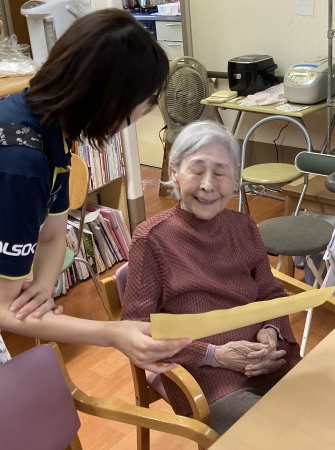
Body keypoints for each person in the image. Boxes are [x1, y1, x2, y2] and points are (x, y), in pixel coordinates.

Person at [0, 9, 190, 443]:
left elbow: (51, 233)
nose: (142, 113)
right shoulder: (14, 160)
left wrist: (42, 291)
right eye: (144, 102)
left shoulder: (50, 124)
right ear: (112, 98)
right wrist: (113, 333)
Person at [121, 120, 302, 435]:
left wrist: (272, 334)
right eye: (196, 170)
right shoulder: (151, 240)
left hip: (266, 358)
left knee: (324, 415)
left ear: (235, 179)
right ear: (174, 171)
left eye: (220, 173)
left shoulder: (244, 226)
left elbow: (271, 294)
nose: (208, 185)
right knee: (275, 436)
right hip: (204, 375)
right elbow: (136, 331)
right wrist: (214, 356)